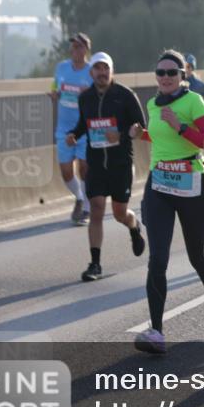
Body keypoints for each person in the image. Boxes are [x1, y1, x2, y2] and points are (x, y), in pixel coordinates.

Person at [130, 50, 204, 354]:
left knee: (196, 255)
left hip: (191, 181)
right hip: (159, 185)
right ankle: (156, 330)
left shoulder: (193, 101)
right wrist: (142, 134)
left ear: (183, 75)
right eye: (161, 72)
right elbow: (160, 139)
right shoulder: (152, 103)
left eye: (172, 72)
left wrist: (180, 125)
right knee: (158, 259)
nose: (165, 78)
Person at [65, 52, 147, 281]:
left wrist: (121, 134)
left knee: (120, 213)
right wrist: (74, 134)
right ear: (91, 72)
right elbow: (84, 123)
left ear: (112, 72)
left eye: (105, 69)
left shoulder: (125, 95)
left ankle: (133, 227)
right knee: (97, 209)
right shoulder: (86, 98)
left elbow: (141, 127)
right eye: (97, 69)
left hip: (120, 164)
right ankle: (95, 264)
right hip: (96, 164)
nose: (101, 73)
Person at [50, 33, 93, 224]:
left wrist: (89, 94)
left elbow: (100, 94)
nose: (75, 50)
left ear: (86, 49)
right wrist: (54, 94)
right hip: (64, 128)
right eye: (73, 47)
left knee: (84, 168)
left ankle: (85, 208)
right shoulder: (62, 68)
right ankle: (80, 197)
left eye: (79, 46)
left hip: (84, 128)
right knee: (66, 171)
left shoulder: (92, 71)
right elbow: (55, 87)